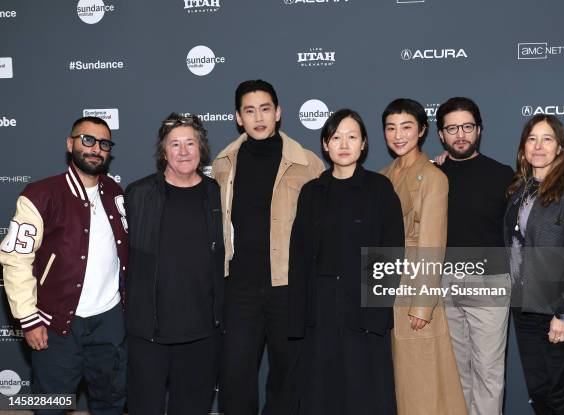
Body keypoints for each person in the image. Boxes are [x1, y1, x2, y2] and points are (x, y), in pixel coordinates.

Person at [0, 116, 128, 414]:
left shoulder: (116, 193)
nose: (96, 148)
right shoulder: (40, 195)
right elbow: (15, 259)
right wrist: (28, 318)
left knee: (110, 402)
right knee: (50, 406)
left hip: (109, 322)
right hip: (56, 324)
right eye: (88, 140)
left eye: (104, 143)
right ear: (70, 144)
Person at [212, 80, 325, 414]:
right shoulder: (223, 163)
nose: (258, 117)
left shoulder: (307, 163)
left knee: (287, 376)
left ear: (278, 112)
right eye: (249, 110)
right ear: (238, 117)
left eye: (265, 109)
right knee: (234, 376)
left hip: (288, 287)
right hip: (239, 286)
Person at [288, 109, 404, 414]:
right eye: (336, 137)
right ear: (325, 144)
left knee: (365, 392)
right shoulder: (311, 192)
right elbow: (298, 256)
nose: (344, 144)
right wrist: (299, 316)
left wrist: (377, 313)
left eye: (352, 137)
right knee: (321, 392)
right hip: (320, 309)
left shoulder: (380, 189)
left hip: (365, 308)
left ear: (364, 143)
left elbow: (391, 254)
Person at [124, 113, 224, 414]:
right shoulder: (138, 195)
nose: (183, 151)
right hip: (149, 332)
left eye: (190, 143)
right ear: (163, 151)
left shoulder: (217, 194)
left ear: (201, 149)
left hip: (202, 331)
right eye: (175, 144)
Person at [504, 114, 564, 415]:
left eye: (547, 139)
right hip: (525, 311)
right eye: (532, 139)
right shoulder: (519, 192)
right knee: (541, 395)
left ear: (560, 148)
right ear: (523, 148)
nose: (539, 146)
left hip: (558, 314)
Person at [379, 98, 467, 415]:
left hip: (415, 292)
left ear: (422, 130)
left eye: (406, 127)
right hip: (383, 289)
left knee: (421, 384)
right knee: (394, 383)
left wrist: (422, 304)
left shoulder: (432, 177)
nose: (398, 135)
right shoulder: (383, 174)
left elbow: (433, 244)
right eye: (391, 128)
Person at [435, 97, 514, 415]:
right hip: (444, 282)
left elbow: (530, 218)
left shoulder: (502, 174)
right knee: (456, 373)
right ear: (441, 135)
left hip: (490, 280)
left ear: (479, 130)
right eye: (452, 128)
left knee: (488, 372)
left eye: (467, 126)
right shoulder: (433, 174)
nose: (460, 135)